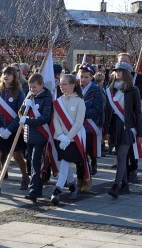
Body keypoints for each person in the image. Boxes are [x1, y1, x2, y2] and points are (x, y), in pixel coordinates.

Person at [0, 66, 29, 196]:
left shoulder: (19, 93)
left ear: (14, 76)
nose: (6, 76)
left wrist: (10, 130)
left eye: (9, 74)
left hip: (14, 131)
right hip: (0, 130)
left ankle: (25, 177)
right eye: (4, 74)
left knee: (17, 156)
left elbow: (20, 114)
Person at [104, 62, 142, 199]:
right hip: (114, 126)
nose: (117, 73)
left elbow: (138, 112)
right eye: (116, 70)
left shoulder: (134, 90)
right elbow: (107, 112)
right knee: (122, 157)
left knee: (121, 156)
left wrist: (140, 132)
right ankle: (125, 185)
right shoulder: (110, 90)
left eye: (120, 71)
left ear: (127, 73)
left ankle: (115, 185)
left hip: (127, 127)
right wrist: (106, 130)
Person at [50, 74, 86, 205]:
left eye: (64, 84)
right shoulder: (58, 101)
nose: (61, 86)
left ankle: (57, 191)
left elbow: (78, 122)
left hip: (73, 139)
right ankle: (72, 185)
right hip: (60, 138)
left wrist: (68, 137)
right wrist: (60, 135)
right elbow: (55, 120)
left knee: (65, 164)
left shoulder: (79, 101)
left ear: (72, 85)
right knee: (63, 164)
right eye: (60, 84)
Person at [19, 73, 53, 203]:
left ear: (41, 85)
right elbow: (22, 111)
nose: (32, 90)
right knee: (30, 161)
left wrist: (28, 120)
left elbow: (44, 118)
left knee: (35, 162)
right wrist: (24, 106)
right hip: (29, 135)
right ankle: (37, 188)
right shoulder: (30, 96)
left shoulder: (47, 97)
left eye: (34, 87)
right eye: (30, 87)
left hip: (40, 135)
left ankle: (33, 190)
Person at [78, 63, 104, 191]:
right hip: (77, 126)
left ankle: (87, 178)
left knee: (85, 153)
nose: (83, 79)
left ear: (92, 77)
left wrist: (81, 114)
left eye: (86, 77)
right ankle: (80, 179)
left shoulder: (97, 90)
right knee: (78, 154)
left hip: (89, 126)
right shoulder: (76, 88)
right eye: (81, 76)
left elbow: (98, 109)